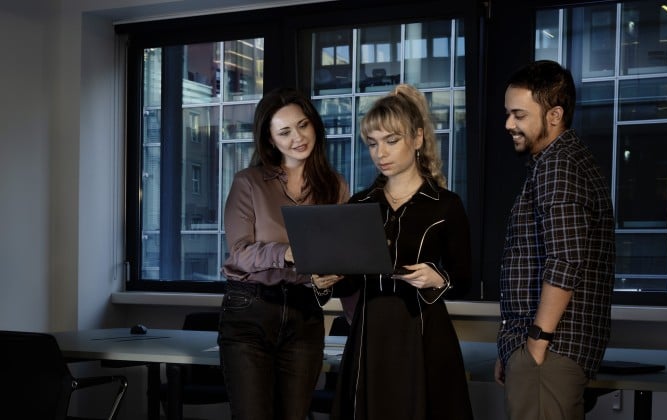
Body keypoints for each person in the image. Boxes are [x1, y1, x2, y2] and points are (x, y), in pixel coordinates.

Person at [326, 84, 474, 420]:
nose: (381, 152)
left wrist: (440, 278)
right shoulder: (359, 204)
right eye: (373, 143)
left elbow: (465, 279)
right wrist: (326, 282)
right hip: (369, 331)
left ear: (418, 138)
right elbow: (348, 284)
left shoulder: (446, 205)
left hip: (423, 331)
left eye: (391, 140)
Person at [493, 59, 615, 420]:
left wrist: (535, 344)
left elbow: (565, 260)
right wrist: (513, 348)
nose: (508, 124)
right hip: (542, 350)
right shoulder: (561, 161)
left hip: (550, 350)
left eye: (518, 114)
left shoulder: (558, 166)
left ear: (554, 115)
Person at [219, 87, 349, 420]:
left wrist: (328, 277)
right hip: (250, 310)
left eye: (303, 125)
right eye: (285, 132)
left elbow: (336, 257)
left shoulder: (335, 186)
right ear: (270, 139)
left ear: (315, 126)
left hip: (305, 315)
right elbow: (238, 254)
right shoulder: (248, 182)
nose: (298, 138)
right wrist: (288, 253)